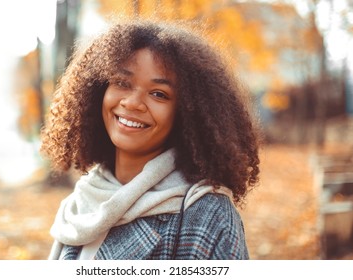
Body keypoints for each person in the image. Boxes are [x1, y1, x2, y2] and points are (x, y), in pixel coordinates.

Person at [40, 19, 260, 260]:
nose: (132, 103)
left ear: (187, 112)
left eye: (159, 94)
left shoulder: (208, 217)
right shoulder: (81, 203)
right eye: (122, 83)